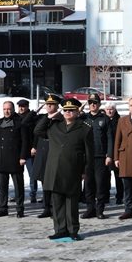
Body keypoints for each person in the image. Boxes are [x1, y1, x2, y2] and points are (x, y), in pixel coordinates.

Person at [35, 98, 93, 240]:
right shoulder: (55, 126)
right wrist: (50, 116)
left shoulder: (84, 128)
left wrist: (85, 171)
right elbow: (38, 130)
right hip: (55, 170)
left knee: (71, 202)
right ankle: (60, 229)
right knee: (57, 202)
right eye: (65, 110)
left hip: (73, 170)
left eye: (71, 110)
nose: (68, 113)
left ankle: (73, 230)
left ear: (77, 112)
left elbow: (89, 152)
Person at [0, 100, 30, 217]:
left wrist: (23, 157)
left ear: (13, 109)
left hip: (15, 159)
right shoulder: (0, 123)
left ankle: (20, 208)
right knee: (2, 186)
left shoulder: (20, 122)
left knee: (18, 186)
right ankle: (3, 208)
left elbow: (25, 142)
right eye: (4, 109)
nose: (6, 111)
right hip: (2, 158)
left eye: (8, 109)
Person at [80, 95, 115, 220]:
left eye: (95, 102)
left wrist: (109, 155)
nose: (93, 105)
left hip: (101, 157)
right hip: (87, 157)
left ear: (99, 104)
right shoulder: (83, 118)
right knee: (88, 184)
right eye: (90, 102)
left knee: (100, 184)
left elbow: (110, 138)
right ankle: (90, 209)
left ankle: (100, 210)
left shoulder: (105, 119)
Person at [32, 94, 60, 218]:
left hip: (53, 153)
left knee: (54, 183)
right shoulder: (43, 118)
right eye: (47, 104)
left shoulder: (60, 118)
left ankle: (55, 208)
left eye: (52, 104)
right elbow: (35, 131)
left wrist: (52, 117)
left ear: (57, 106)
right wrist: (45, 115)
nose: (49, 106)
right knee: (45, 183)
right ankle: (47, 207)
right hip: (43, 153)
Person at [17, 99, 39, 204]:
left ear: (27, 106)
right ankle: (18, 194)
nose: (21, 108)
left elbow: (36, 134)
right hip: (18, 150)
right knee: (17, 174)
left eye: (23, 106)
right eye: (19, 106)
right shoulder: (16, 118)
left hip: (29, 150)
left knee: (32, 174)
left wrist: (34, 146)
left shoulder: (33, 118)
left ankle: (33, 194)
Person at [103, 103, 123, 206]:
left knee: (118, 176)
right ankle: (105, 195)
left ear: (115, 110)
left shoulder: (120, 120)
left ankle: (120, 196)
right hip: (104, 151)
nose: (109, 111)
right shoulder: (102, 120)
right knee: (105, 175)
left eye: (111, 109)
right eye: (107, 109)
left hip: (116, 151)